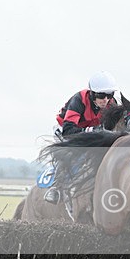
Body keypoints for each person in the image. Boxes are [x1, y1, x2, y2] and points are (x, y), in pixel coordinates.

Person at [45, 71, 119, 204]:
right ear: (92, 93)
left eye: (110, 95)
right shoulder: (79, 100)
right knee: (69, 154)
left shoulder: (111, 104)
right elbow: (68, 131)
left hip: (92, 133)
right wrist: (93, 131)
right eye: (101, 95)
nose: (106, 100)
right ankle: (56, 187)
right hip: (66, 131)